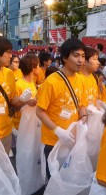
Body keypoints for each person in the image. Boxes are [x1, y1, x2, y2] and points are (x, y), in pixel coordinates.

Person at [36, 38, 88, 180]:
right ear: (65, 58)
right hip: (53, 141)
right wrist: (58, 131)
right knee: (54, 181)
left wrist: (84, 118)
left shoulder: (81, 79)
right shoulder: (52, 81)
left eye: (83, 56)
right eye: (76, 55)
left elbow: (82, 104)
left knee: (68, 179)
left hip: (72, 140)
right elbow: (39, 111)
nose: (80, 60)